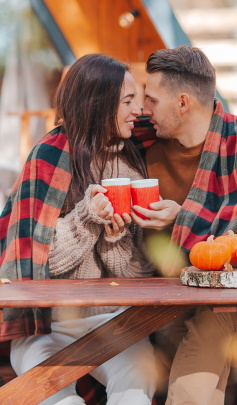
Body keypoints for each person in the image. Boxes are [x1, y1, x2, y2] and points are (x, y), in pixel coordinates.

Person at [0, 53, 157, 405]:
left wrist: (115, 240)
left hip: (112, 320)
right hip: (47, 325)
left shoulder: (132, 163)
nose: (139, 111)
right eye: (128, 101)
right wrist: (86, 218)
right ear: (98, 105)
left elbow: (138, 273)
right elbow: (36, 260)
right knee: (57, 400)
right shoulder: (48, 157)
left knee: (136, 388)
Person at [130, 45, 237, 405]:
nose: (144, 110)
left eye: (152, 100)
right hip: (160, 298)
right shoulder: (140, 141)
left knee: (189, 389)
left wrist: (182, 216)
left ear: (183, 103)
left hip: (230, 304)